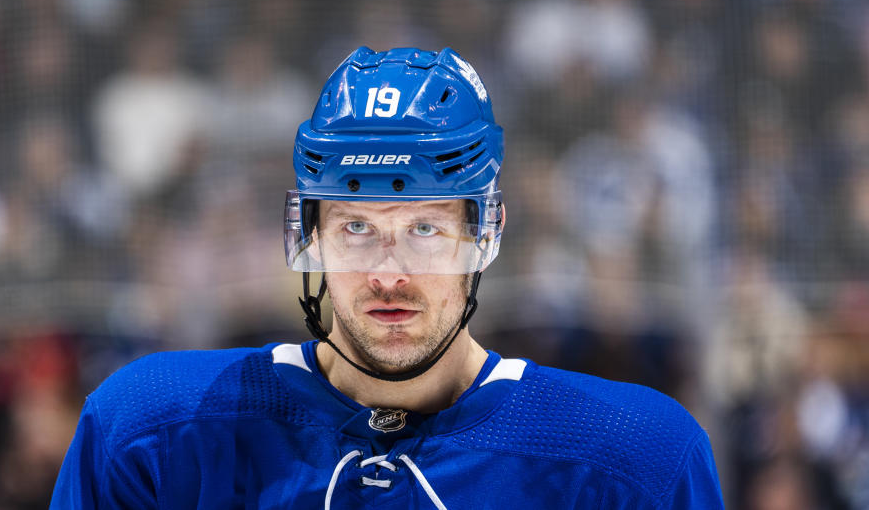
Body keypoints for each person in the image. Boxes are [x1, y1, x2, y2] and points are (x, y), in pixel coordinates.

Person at [50, 47, 724, 509]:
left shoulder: (633, 462)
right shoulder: (153, 435)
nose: (388, 274)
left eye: (425, 229)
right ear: (309, 235)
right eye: (356, 228)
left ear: (484, 234)